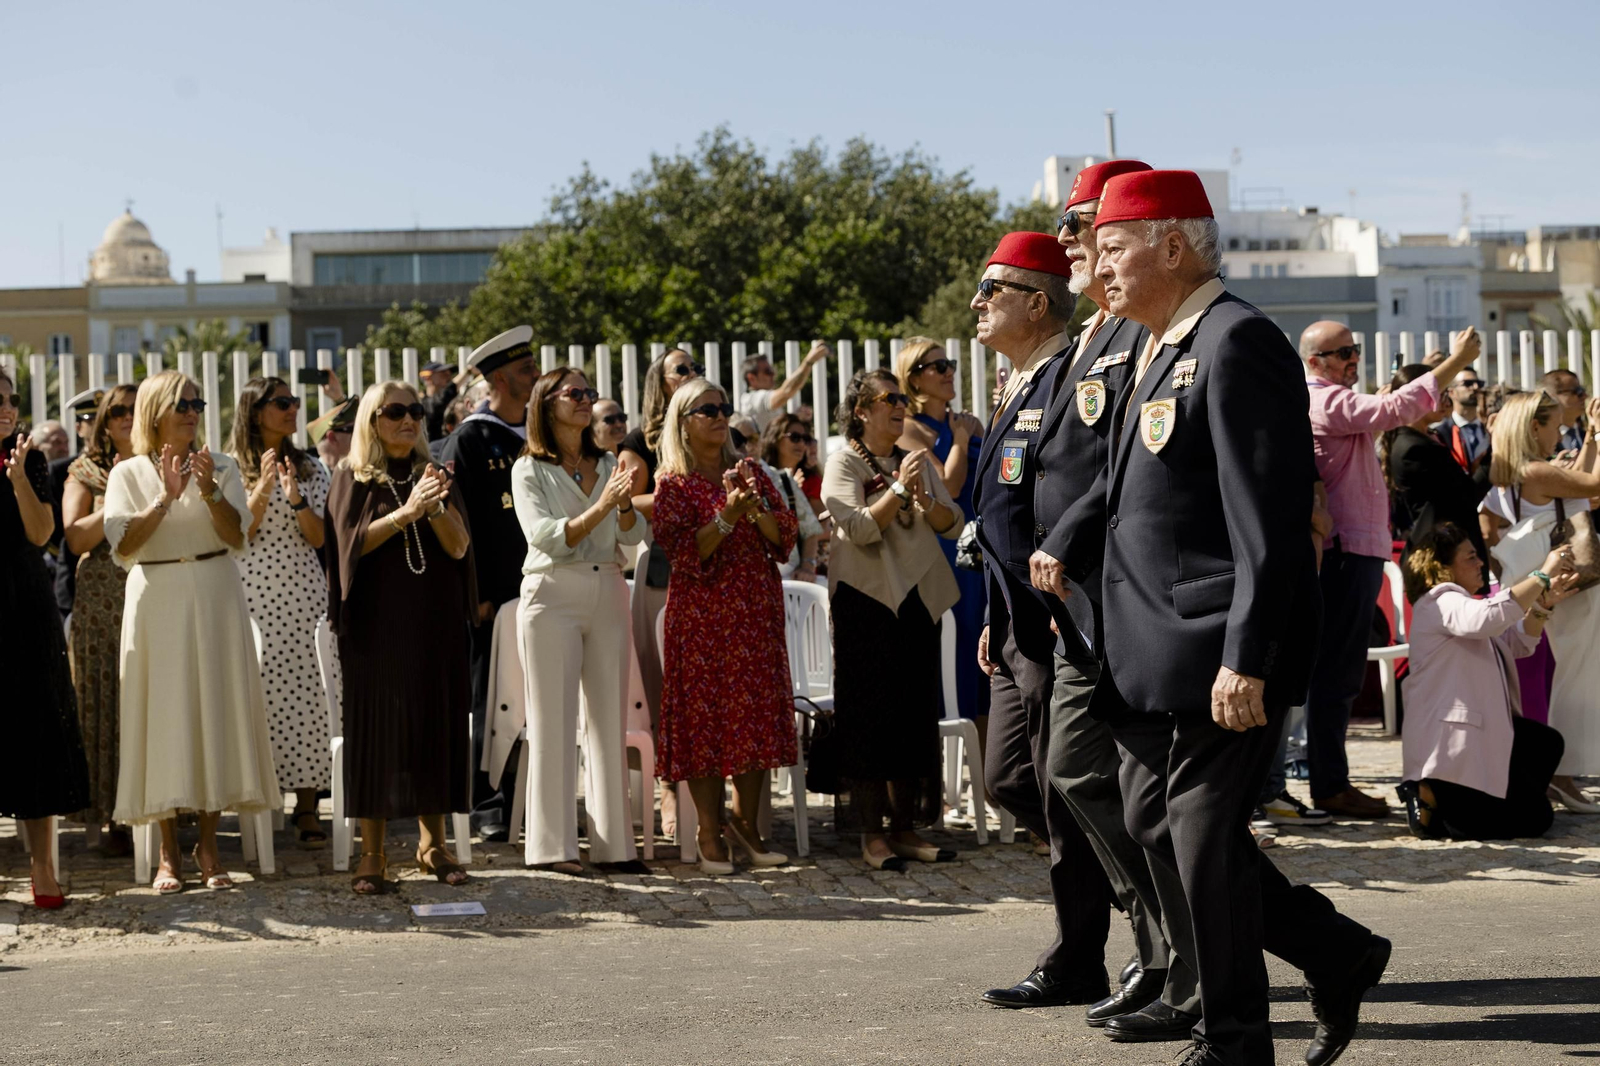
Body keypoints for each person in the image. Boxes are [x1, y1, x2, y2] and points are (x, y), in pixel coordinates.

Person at [1083, 170, 1389, 1066]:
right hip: (1147, 647)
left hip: (1223, 641)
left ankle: (1236, 1042)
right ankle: (1339, 950)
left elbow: (1269, 516)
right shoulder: (1150, 345)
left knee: (1206, 836)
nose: (1097, 268)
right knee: (1154, 823)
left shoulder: (1237, 338)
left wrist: (1247, 656)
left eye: (1112, 248)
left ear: (1171, 247)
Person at [1011, 157, 1208, 1034]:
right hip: (1078, 598)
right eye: (1064, 227)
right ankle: (1162, 947)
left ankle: (1199, 961)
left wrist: (1064, 540)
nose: (1068, 240)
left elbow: (1118, 472)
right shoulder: (1097, 334)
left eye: (1082, 224)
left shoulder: (1141, 333)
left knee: (1155, 799)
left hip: (1119, 594)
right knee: (1087, 780)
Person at [962, 229, 1117, 1010]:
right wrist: (994, 610)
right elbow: (1001, 517)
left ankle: (1081, 954)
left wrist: (1069, 599)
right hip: (1015, 622)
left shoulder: (1064, 377)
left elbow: (1078, 498)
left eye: (993, 290)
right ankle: (1138, 879)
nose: (978, 303)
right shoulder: (1016, 380)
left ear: (1035, 300)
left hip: (1054, 621)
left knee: (1065, 791)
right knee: (1011, 780)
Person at [103, 370, 278, 894]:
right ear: (155, 411)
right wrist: (165, 495)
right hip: (156, 599)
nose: (191, 411)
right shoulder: (128, 473)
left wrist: (206, 491)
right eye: (181, 403)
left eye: (196, 402)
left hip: (215, 592)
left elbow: (237, 534)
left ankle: (210, 847)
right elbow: (124, 546)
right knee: (163, 717)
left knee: (214, 712)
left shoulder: (220, 466)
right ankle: (167, 853)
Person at [1302, 321, 1481, 819]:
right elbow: (1392, 411)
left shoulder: (1331, 398)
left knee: (1336, 671)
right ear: (1315, 361)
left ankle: (1329, 781)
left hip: (1352, 550)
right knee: (1336, 673)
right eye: (1341, 353)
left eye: (1354, 349)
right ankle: (1330, 785)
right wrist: (1455, 363)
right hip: (1344, 551)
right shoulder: (1323, 400)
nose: (1352, 358)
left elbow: (1381, 411)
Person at [324, 380, 475, 894]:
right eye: (394, 412)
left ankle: (433, 843)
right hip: (375, 627)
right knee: (379, 733)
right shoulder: (351, 476)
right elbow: (348, 547)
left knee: (433, 725)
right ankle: (372, 851)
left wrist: (430, 507)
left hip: (435, 622)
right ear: (371, 420)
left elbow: (458, 549)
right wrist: (404, 514)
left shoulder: (433, 476)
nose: (408, 420)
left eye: (414, 411)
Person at [810, 368, 962, 870]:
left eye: (902, 398)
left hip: (917, 597)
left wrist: (923, 498)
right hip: (866, 602)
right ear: (861, 410)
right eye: (889, 398)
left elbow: (952, 522)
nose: (900, 406)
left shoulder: (912, 461)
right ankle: (871, 834)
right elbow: (854, 527)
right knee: (871, 717)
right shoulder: (843, 462)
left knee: (915, 714)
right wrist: (899, 491)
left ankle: (906, 829)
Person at [652, 381, 797, 875]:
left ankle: (745, 824)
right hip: (702, 619)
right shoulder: (673, 483)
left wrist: (753, 510)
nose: (720, 416)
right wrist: (728, 515)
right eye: (707, 409)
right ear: (683, 421)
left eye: (724, 408)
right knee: (706, 724)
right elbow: (685, 553)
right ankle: (708, 830)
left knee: (754, 717)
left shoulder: (751, 469)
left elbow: (785, 537)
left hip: (754, 611)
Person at [511, 368, 648, 875]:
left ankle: (616, 847)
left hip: (609, 586)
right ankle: (551, 848)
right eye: (576, 393)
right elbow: (548, 537)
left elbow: (630, 536)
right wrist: (603, 505)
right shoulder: (528, 469)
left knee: (608, 721)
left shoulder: (610, 461)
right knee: (552, 722)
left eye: (590, 392)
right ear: (547, 405)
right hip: (553, 593)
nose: (587, 400)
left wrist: (626, 507)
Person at [1399, 524, 1573, 840]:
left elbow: (1515, 642)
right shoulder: (1440, 600)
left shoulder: (1462, 606)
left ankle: (1474, 803)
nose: (1480, 563)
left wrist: (1541, 607)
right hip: (1451, 750)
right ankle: (1431, 797)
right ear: (1442, 568)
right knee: (1535, 821)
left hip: (1477, 737)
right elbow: (1488, 619)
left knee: (1542, 742)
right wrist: (1542, 575)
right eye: (1470, 558)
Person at [1481, 390, 1600, 813]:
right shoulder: (1536, 469)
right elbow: (1595, 486)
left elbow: (1580, 492)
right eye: (1553, 426)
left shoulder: (1517, 470)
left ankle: (1559, 770)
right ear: (1534, 427)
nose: (1558, 434)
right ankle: (1563, 772)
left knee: (1559, 672)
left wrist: (1588, 442)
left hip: (1540, 575)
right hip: (1567, 576)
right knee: (1574, 674)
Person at [228, 376, 334, 848]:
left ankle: (308, 805)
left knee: (311, 697)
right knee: (260, 699)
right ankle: (261, 803)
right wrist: (265, 485)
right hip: (251, 595)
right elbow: (238, 533)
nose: (293, 409)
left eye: (294, 401)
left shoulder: (312, 468)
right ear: (254, 412)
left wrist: (294, 495)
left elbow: (319, 538)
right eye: (281, 402)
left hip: (304, 595)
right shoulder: (229, 470)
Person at [440, 326, 537, 842]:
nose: (535, 374)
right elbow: (460, 519)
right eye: (525, 369)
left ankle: (530, 794)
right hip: (492, 595)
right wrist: (472, 589)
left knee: (535, 697)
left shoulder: (539, 432)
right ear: (498, 378)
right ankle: (488, 803)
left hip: (539, 589)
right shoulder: (471, 438)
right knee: (490, 697)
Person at [0, 370, 90, 908]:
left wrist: (15, 482)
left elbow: (40, 535)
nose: (7, 408)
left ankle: (43, 870)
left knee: (34, 731)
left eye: (11, 400)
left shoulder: (29, 458)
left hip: (23, 604)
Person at [618, 347, 702, 834]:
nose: (692, 376)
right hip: (660, 573)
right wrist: (681, 491)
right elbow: (624, 502)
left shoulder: (716, 432)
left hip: (714, 572)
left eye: (696, 369)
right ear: (661, 382)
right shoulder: (639, 440)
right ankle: (669, 790)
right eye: (682, 370)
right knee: (662, 689)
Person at [895, 338, 989, 731]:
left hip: (979, 548)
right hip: (944, 549)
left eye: (949, 363)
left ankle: (988, 781)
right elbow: (947, 487)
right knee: (955, 647)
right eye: (938, 366)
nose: (949, 371)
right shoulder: (908, 430)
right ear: (914, 381)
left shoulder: (968, 420)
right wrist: (962, 439)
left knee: (984, 650)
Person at [60, 384, 137, 854]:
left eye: (136, 409)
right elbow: (75, 538)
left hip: (159, 590)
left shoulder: (167, 463)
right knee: (108, 704)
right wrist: (119, 502)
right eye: (119, 411)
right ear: (105, 423)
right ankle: (114, 819)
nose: (128, 417)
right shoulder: (85, 471)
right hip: (103, 601)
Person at [1382, 364, 1491, 578]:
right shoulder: (1413, 447)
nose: (1446, 400)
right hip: (1441, 559)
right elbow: (1465, 499)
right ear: (1413, 398)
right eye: (1438, 393)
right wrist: (1494, 455)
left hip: (1451, 552)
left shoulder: (1428, 439)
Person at [756, 413, 824, 582]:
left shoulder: (801, 480)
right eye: (795, 437)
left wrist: (807, 566)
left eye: (805, 439)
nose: (801, 444)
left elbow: (813, 528)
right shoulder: (757, 476)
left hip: (793, 578)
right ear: (774, 439)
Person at [737, 344, 828, 432]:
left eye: (772, 370)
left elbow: (775, 431)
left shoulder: (756, 400)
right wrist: (809, 361)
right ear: (751, 378)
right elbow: (787, 391)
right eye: (768, 371)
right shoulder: (753, 399)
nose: (773, 374)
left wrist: (796, 417)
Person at [1434, 366, 1490, 474]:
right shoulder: (1440, 434)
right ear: (1452, 392)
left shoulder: (1490, 429)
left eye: (1479, 383)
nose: (1475, 387)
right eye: (1467, 383)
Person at [1541, 369, 1588, 453]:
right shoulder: (1542, 441)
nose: (1584, 396)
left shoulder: (1588, 435)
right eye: (1577, 391)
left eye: (1583, 390)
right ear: (1552, 397)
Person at [420, 360, 458, 441]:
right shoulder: (420, 402)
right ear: (427, 377)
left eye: (449, 374)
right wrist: (468, 372)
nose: (449, 376)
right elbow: (437, 404)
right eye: (443, 373)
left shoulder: (453, 398)